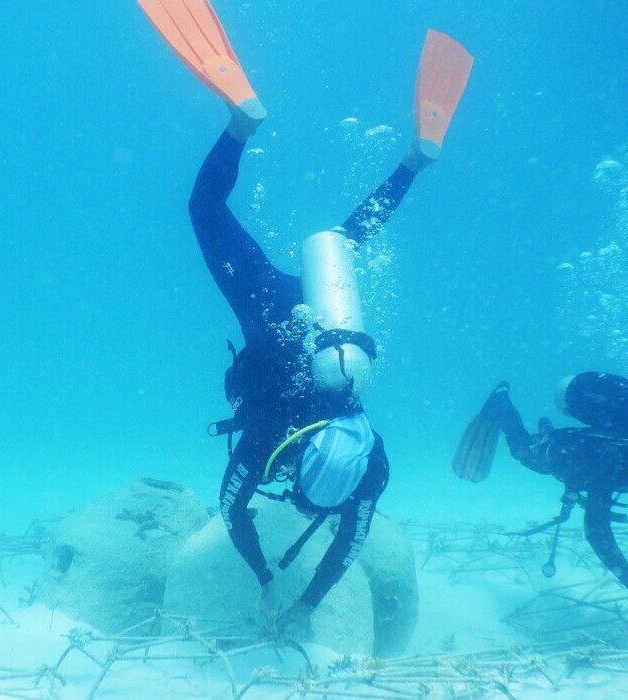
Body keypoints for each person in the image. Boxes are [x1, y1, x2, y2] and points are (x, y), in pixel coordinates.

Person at [139, 0, 473, 634]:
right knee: (212, 211)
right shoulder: (322, 455)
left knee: (345, 244)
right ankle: (248, 124)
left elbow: (282, 524)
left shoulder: (365, 458)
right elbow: (240, 512)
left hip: (323, 313)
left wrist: (287, 593)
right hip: (275, 313)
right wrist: (283, 592)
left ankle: (413, 161)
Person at [461, 372, 628, 626]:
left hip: (592, 449)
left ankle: (543, 428)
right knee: (523, 451)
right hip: (566, 453)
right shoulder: (616, 462)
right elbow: (596, 530)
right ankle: (502, 404)